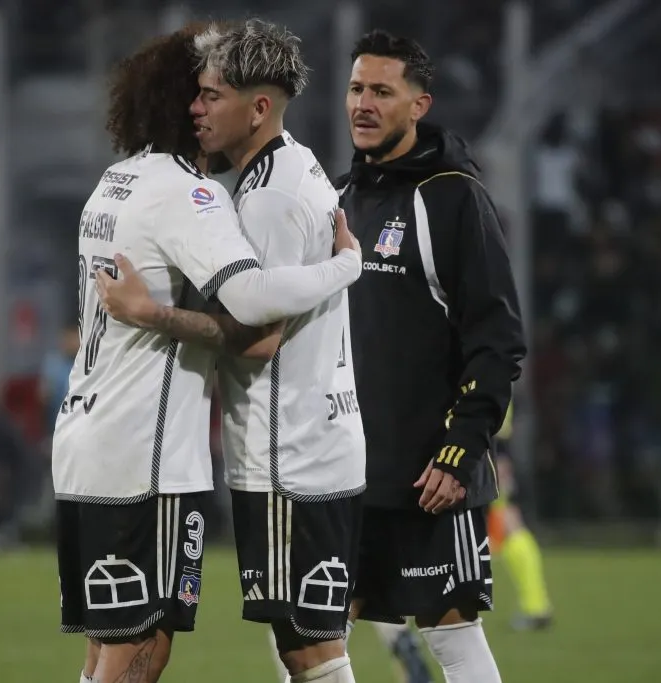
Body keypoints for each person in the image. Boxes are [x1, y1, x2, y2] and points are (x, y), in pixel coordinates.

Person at [52, 25, 362, 683]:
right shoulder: (190, 193)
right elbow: (255, 310)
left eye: (213, 95)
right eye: (198, 95)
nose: (203, 109)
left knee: (114, 643)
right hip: (147, 455)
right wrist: (346, 267)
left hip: (87, 438)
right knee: (145, 643)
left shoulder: (114, 182)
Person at [338, 30, 526, 683]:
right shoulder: (340, 200)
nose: (363, 103)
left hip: (429, 478)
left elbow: (498, 337)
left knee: (452, 634)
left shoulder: (453, 198)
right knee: (307, 636)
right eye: (357, 88)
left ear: (418, 105)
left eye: (382, 91)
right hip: (342, 471)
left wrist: (460, 450)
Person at [488, 402, 554, 631]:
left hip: (486, 450)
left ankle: (536, 607)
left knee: (509, 524)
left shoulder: (480, 368)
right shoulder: (494, 368)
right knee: (508, 523)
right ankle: (536, 606)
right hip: (494, 450)